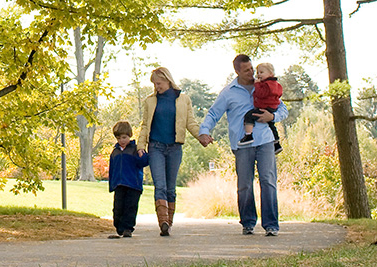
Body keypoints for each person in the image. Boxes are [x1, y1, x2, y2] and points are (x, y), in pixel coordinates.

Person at [198, 54, 288, 236]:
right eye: (246, 70)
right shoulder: (228, 92)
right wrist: (204, 131)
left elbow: (282, 109)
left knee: (268, 181)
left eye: (252, 69)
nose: (251, 73)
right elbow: (214, 114)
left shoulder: (264, 86)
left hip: (265, 140)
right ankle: (248, 222)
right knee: (245, 184)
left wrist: (273, 117)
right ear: (237, 71)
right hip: (242, 144)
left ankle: (271, 225)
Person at [137, 67, 201, 236]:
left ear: (168, 80)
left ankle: (169, 222)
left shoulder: (183, 99)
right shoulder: (150, 101)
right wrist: (140, 145)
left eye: (159, 83)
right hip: (156, 146)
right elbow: (145, 125)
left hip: (174, 147)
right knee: (160, 185)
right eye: (155, 84)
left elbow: (191, 123)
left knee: (171, 188)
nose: (157, 87)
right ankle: (163, 222)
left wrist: (201, 136)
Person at [108, 121, 149, 239]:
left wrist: (143, 154)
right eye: (119, 138)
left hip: (133, 184)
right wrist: (112, 185)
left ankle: (128, 228)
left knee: (130, 207)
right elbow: (112, 170)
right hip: (119, 184)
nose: (122, 140)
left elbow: (143, 163)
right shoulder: (115, 152)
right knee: (118, 207)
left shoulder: (134, 150)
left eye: (124, 137)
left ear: (129, 136)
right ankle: (119, 227)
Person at [238, 62, 283, 154]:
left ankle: (248, 135)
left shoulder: (267, 84)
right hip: (272, 107)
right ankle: (277, 143)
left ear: (270, 74)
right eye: (257, 72)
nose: (258, 75)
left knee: (249, 116)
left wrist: (257, 85)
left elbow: (261, 94)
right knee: (271, 125)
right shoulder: (276, 84)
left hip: (265, 107)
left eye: (261, 72)